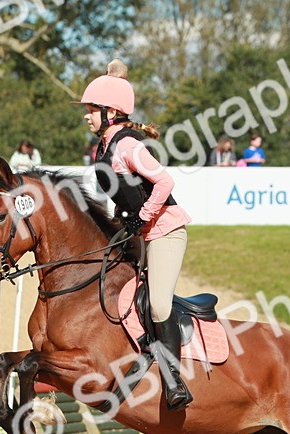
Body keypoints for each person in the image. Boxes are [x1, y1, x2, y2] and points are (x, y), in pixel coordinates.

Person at [80, 59, 195, 409]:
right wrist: (122, 218)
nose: (86, 116)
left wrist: (141, 216)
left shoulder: (129, 146)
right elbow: (126, 190)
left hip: (164, 231)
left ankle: (174, 381)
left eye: (91, 110)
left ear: (110, 112)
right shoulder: (103, 147)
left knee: (158, 303)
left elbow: (165, 181)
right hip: (140, 232)